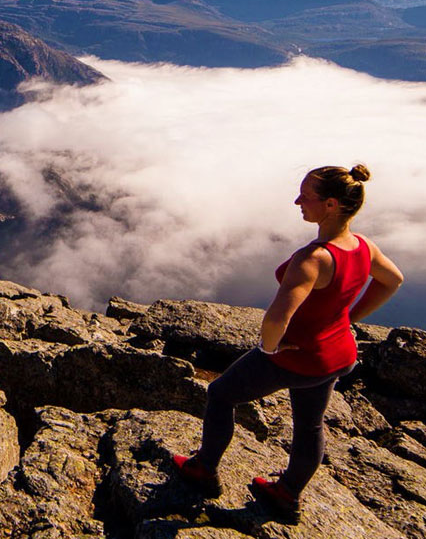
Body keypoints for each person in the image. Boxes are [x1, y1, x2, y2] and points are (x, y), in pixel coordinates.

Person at [171, 164, 404, 515]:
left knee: (220, 395)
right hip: (337, 356)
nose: (298, 201)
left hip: (298, 356)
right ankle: (288, 494)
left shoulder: (312, 260)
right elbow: (393, 280)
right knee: (310, 425)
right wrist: (348, 318)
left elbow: (277, 318)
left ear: (330, 205)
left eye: (306, 196)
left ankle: (203, 469)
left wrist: (269, 348)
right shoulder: (362, 247)